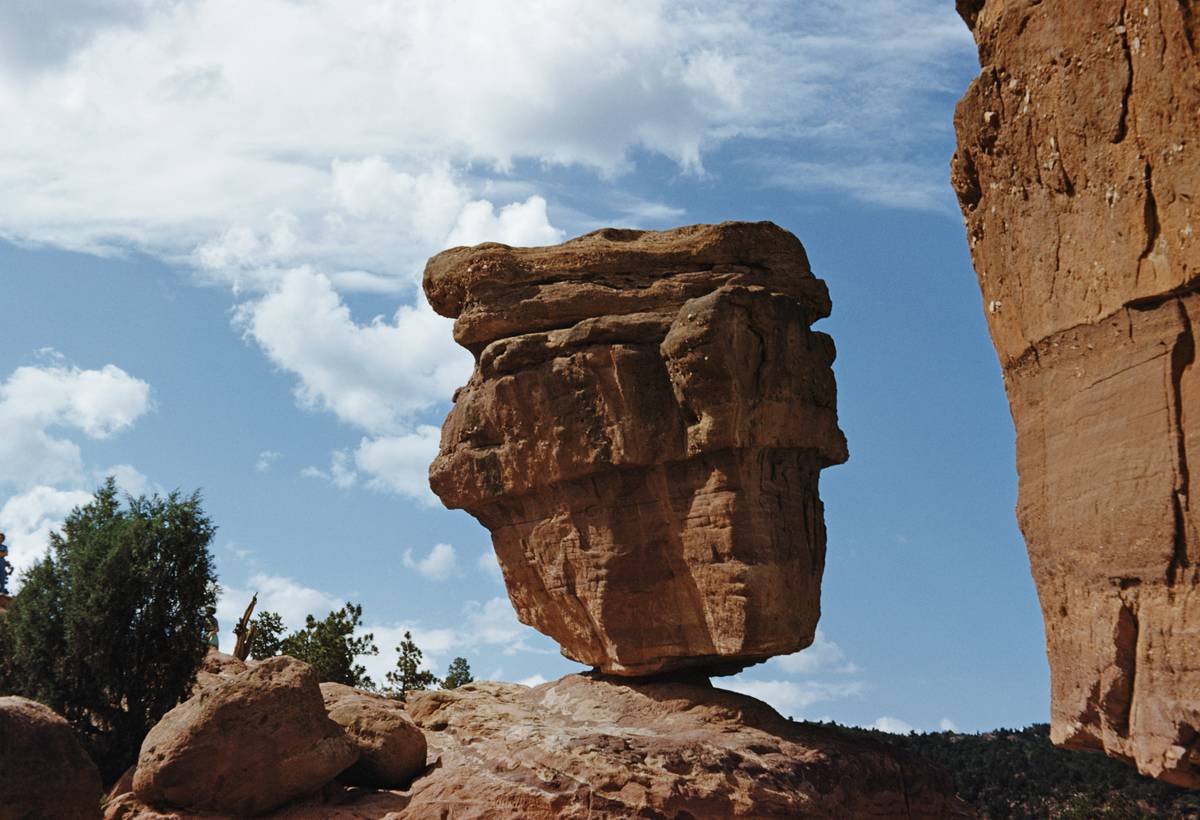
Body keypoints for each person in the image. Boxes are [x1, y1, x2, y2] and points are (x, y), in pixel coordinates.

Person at [0, 532, 9, 596]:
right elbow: (2, 553)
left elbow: (5, 554)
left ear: (3, 539)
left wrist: (1, 554)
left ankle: (2, 591)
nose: (0, 539)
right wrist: (1, 553)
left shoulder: (4, 547)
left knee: (2, 576)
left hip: (1, 562)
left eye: (1, 538)